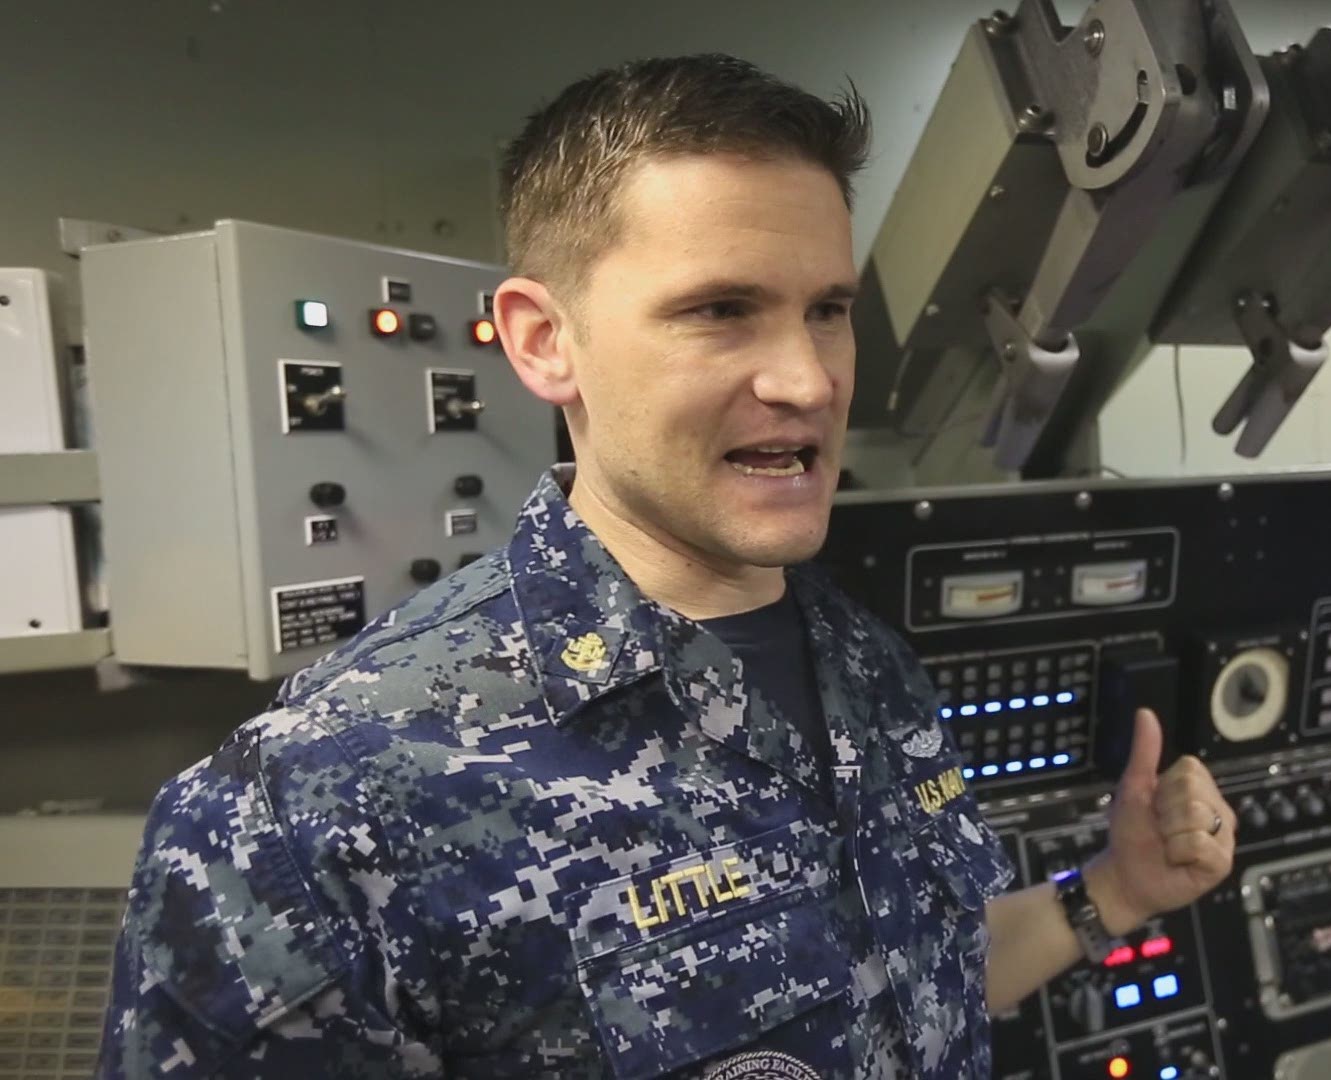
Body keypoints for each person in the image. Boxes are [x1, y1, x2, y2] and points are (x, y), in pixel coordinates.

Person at [99, 54, 1237, 1078]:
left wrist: (1116, 892)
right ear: (545, 341)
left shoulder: (866, 669)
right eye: (721, 310)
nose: (806, 379)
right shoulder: (316, 809)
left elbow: (912, 979)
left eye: (827, 310)